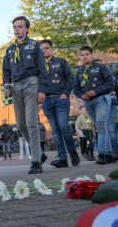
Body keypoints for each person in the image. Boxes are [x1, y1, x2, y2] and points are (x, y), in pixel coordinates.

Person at [2, 16, 48, 174]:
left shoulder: (35, 46)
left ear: (27, 29)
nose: (17, 29)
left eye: (20, 26)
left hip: (31, 83)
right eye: (15, 27)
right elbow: (6, 71)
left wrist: (42, 90)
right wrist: (6, 86)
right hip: (16, 87)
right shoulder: (9, 49)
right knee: (21, 125)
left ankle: (36, 162)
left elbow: (42, 68)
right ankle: (39, 153)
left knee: (31, 123)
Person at [39, 39, 80, 168]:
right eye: (41, 49)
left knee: (63, 127)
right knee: (55, 131)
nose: (44, 50)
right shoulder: (37, 66)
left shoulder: (61, 62)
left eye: (46, 48)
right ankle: (62, 158)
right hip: (46, 101)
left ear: (51, 49)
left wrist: (65, 93)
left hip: (60, 99)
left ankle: (73, 152)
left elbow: (70, 79)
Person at [74, 46, 114, 164]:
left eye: (87, 54)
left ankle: (101, 154)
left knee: (101, 125)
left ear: (92, 55)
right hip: (88, 102)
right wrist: (81, 96)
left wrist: (96, 91)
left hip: (101, 99)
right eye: (82, 55)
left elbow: (110, 83)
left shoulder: (101, 67)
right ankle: (109, 154)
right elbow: (76, 89)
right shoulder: (79, 71)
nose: (84, 56)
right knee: (100, 127)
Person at [108, 76, 118, 161]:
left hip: (108, 103)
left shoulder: (113, 78)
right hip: (111, 102)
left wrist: (116, 102)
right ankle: (113, 152)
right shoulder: (113, 78)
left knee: (107, 129)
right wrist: (116, 101)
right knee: (111, 129)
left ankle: (109, 152)